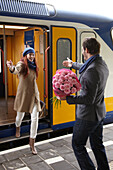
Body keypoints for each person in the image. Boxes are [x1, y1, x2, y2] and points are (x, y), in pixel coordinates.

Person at [62, 38, 110, 170]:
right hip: (99, 113)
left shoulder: (91, 71)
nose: (83, 52)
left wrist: (68, 99)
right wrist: (72, 64)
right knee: (97, 145)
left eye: (83, 49)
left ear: (86, 50)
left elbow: (89, 99)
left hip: (87, 116)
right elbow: (87, 66)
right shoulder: (101, 63)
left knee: (77, 145)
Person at [7, 47, 42, 155]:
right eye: (29, 54)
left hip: (34, 96)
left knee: (35, 119)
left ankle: (32, 143)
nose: (32, 56)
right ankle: (18, 127)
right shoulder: (22, 64)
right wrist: (11, 67)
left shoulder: (34, 66)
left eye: (33, 54)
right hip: (23, 95)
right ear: (26, 55)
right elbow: (15, 70)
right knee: (20, 117)